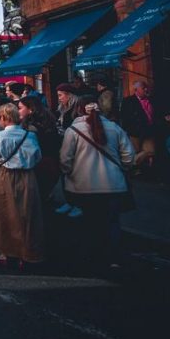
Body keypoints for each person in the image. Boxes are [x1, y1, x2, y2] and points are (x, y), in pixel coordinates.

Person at [60, 96, 135, 270]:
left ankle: (91, 258)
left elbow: (65, 160)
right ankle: (113, 257)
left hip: (83, 186)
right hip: (114, 184)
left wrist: (70, 173)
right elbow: (129, 156)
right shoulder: (114, 128)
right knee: (112, 223)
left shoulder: (73, 130)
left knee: (89, 223)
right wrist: (122, 168)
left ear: (78, 109)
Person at [0, 104, 44, 266]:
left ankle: (7, 250)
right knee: (27, 214)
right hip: (28, 176)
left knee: (4, 213)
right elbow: (37, 157)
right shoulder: (30, 136)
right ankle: (27, 251)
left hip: (5, 176)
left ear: (4, 118)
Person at [120, 81, 158, 171]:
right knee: (135, 151)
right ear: (136, 90)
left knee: (151, 151)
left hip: (149, 131)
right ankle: (137, 170)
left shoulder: (151, 99)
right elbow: (124, 117)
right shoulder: (128, 101)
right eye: (143, 87)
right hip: (134, 132)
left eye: (146, 87)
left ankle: (132, 164)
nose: (146, 89)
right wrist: (128, 130)